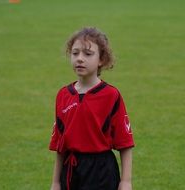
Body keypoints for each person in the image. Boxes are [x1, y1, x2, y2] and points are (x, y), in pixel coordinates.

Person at [49, 27, 135, 190]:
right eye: (75, 53)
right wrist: (55, 182)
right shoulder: (63, 95)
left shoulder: (111, 95)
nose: (80, 59)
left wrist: (126, 181)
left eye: (88, 54)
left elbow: (125, 143)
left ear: (101, 59)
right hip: (70, 171)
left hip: (101, 171)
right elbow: (61, 145)